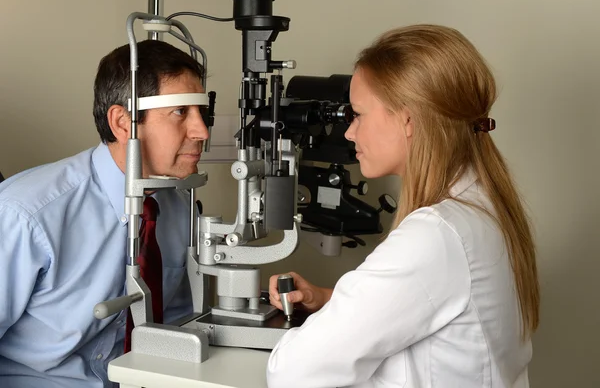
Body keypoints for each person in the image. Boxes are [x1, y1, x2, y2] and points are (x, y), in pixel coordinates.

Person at [267, 24, 540, 388]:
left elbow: (291, 371)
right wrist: (329, 300)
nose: (349, 133)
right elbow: (431, 304)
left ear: (407, 119)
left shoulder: (435, 236)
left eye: (357, 114)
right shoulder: (481, 205)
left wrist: (335, 319)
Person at [0, 40, 209, 387]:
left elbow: (177, 326)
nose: (201, 131)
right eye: (180, 112)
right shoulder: (27, 215)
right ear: (123, 123)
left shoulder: (179, 208)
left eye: (202, 111)